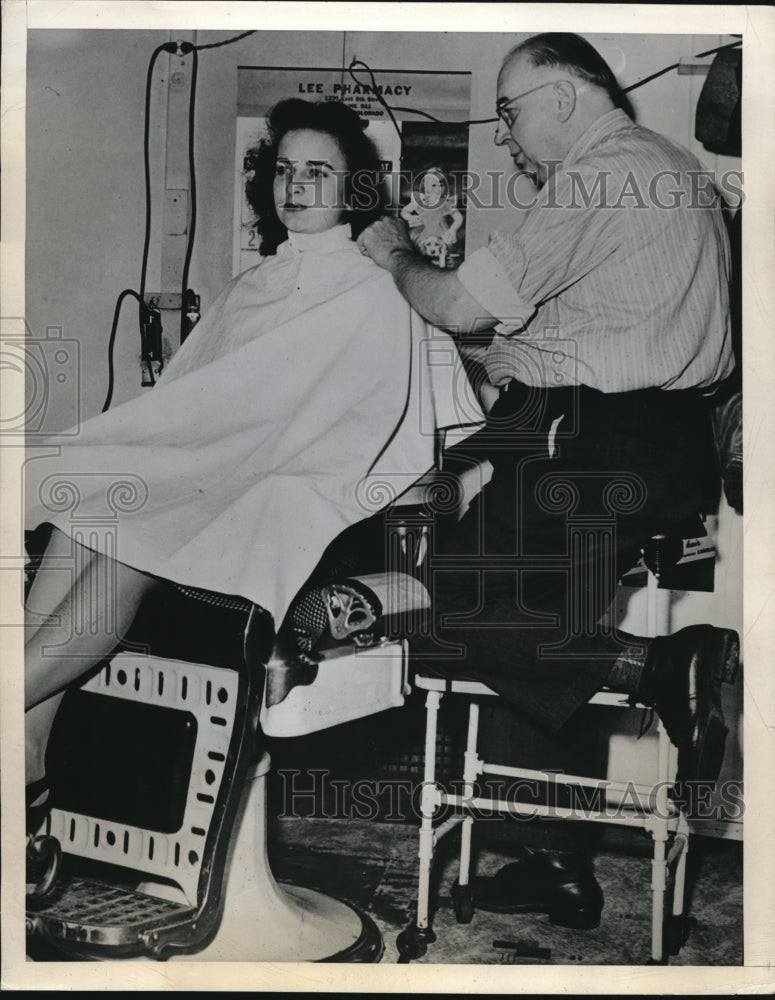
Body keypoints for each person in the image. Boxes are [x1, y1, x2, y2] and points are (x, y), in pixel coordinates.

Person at [287, 33, 740, 929]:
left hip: (606, 442)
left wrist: (394, 254)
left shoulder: (598, 173)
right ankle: (557, 863)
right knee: (539, 612)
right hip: (648, 439)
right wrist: (480, 352)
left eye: (509, 110)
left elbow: (459, 305)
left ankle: (662, 670)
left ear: (565, 97)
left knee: (447, 594)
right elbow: (554, 339)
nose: (505, 135)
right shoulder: (669, 170)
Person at [23, 98, 482, 901]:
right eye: (283, 170)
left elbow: (385, 429)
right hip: (215, 475)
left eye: (317, 172)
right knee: (88, 485)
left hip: (294, 496)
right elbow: (198, 411)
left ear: (353, 189)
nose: (295, 187)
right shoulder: (252, 287)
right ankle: (23, 756)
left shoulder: (378, 290)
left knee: (142, 517)